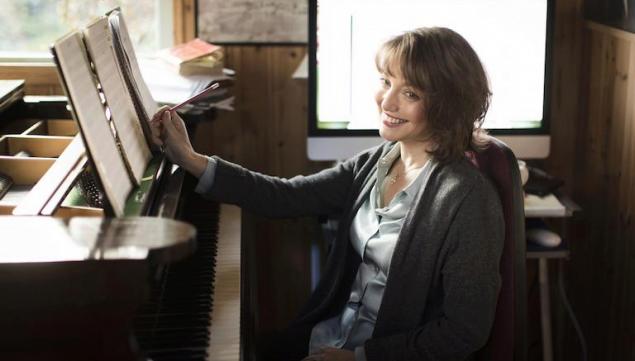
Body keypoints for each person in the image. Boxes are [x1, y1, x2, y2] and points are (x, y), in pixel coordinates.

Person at [151, 27, 504, 361]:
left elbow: (463, 333)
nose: (388, 101)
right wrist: (192, 160)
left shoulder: (468, 201)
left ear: (447, 105)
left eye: (410, 93)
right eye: (386, 82)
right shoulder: (376, 162)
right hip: (330, 338)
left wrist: (360, 359)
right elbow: (285, 196)